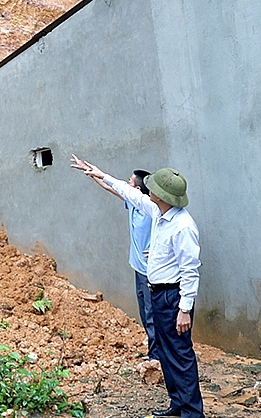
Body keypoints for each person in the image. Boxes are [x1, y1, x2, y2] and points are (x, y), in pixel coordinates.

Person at [71, 158, 204, 418]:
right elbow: (128, 191)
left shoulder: (183, 227)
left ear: (163, 195)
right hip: (159, 293)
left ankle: (192, 413)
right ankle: (177, 404)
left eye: (153, 188)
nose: (148, 190)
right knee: (166, 354)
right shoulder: (159, 213)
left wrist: (185, 309)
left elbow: (190, 270)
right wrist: (100, 174)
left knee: (180, 355)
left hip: (173, 297)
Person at [70, 155, 159, 363]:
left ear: (137, 190)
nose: (126, 183)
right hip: (138, 268)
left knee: (152, 315)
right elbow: (111, 188)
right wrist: (91, 172)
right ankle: (155, 351)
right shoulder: (133, 204)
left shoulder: (150, 210)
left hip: (151, 271)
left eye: (130, 181)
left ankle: (156, 356)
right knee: (145, 314)